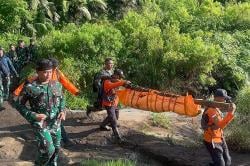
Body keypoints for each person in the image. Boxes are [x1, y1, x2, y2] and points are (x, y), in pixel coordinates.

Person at [11, 59, 66, 165]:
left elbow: (62, 99)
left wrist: (62, 111)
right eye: (45, 72)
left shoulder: (57, 85)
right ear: (38, 72)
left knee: (56, 150)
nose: (48, 74)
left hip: (56, 123)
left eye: (50, 72)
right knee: (48, 151)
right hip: (41, 124)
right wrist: (32, 115)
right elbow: (18, 104)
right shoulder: (30, 87)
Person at [202, 89, 236, 166]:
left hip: (220, 138)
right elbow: (221, 125)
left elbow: (220, 125)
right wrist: (231, 113)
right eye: (224, 98)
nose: (225, 100)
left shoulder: (217, 108)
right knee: (221, 164)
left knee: (228, 161)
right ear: (217, 98)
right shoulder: (211, 110)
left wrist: (230, 113)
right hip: (212, 141)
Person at [100, 69, 130, 142]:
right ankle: (117, 137)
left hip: (114, 103)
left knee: (115, 116)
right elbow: (112, 85)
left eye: (121, 77)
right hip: (108, 103)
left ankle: (103, 125)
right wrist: (123, 82)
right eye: (119, 77)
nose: (120, 78)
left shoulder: (117, 81)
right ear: (116, 75)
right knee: (113, 120)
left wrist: (126, 84)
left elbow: (120, 84)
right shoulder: (107, 82)